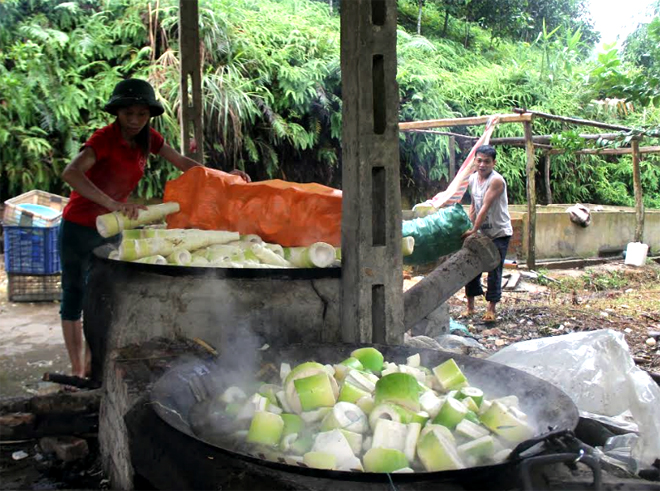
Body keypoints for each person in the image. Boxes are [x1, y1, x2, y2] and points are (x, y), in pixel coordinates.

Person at [59, 78, 249, 378]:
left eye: (141, 114)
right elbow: (71, 172)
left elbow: (186, 163)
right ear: (117, 112)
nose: (134, 120)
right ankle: (76, 370)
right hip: (79, 226)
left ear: (149, 115)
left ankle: (95, 364)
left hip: (113, 226)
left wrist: (226, 176)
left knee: (102, 295)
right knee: (74, 294)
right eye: (128, 114)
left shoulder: (151, 139)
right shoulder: (103, 139)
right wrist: (111, 203)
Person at [461, 145, 513, 323]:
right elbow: (474, 206)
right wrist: (469, 225)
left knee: (494, 268)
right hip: (481, 230)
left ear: (494, 163)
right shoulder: (473, 179)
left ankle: (491, 309)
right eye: (479, 160)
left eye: (487, 161)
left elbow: (485, 206)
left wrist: (473, 230)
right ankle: (470, 307)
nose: (482, 164)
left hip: (499, 232)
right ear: (475, 161)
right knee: (470, 265)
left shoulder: (496, 181)